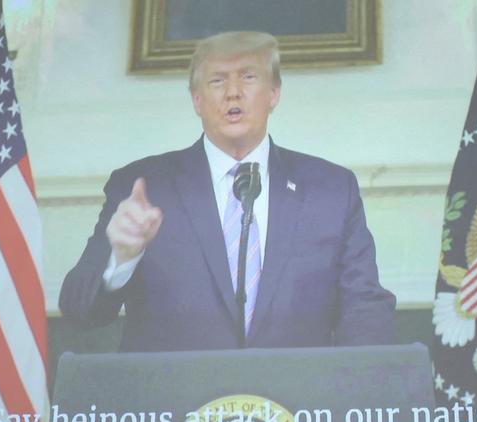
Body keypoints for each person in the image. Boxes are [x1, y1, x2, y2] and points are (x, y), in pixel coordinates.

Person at [59, 30, 396, 352]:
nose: (232, 92)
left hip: (296, 405)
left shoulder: (330, 189)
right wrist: (121, 258)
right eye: (217, 80)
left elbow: (364, 306)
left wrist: (362, 391)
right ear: (196, 100)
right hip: (176, 405)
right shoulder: (143, 188)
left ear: (274, 93)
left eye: (248, 77)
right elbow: (79, 310)